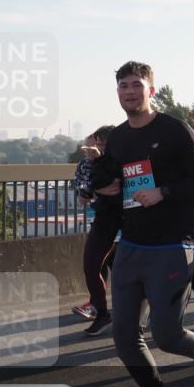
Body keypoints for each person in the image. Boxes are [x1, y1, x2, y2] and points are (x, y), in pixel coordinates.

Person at [96, 61, 194, 387]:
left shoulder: (175, 130)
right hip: (131, 245)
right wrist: (100, 188)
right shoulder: (119, 138)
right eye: (123, 86)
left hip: (173, 243)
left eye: (136, 85)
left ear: (151, 90)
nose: (129, 92)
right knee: (123, 334)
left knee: (167, 335)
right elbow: (115, 186)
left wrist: (163, 191)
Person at [73, 126, 122, 336]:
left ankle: (141, 314)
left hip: (125, 220)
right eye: (98, 143)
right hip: (102, 218)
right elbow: (83, 191)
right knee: (91, 265)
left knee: (125, 274)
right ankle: (102, 313)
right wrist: (94, 188)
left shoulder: (119, 159)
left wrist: (97, 183)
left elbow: (114, 184)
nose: (100, 148)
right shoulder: (87, 163)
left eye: (105, 144)